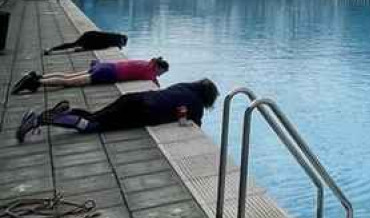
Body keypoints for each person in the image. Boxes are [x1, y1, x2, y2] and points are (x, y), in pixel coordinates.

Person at [17, 79, 219, 143]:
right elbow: (194, 128)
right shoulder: (197, 105)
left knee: (94, 115)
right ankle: (39, 120)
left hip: (133, 98)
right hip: (140, 112)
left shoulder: (183, 86)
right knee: (90, 127)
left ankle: (62, 112)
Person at [12, 57, 169, 95]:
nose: (160, 75)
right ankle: (35, 82)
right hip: (108, 73)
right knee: (70, 82)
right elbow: (153, 83)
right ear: (159, 68)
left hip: (106, 65)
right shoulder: (150, 72)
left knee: (68, 75)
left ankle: (38, 76)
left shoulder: (147, 63)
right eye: (162, 73)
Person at [44, 30, 127, 55]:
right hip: (90, 37)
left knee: (73, 45)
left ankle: (52, 49)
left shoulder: (115, 37)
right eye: (123, 43)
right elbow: (119, 45)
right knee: (73, 45)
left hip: (91, 37)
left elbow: (98, 46)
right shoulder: (116, 39)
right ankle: (52, 49)